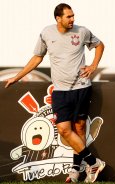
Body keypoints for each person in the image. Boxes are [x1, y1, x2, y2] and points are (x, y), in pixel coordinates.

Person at [5, 3, 105, 183]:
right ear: (58, 18)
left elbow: (99, 45)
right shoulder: (46, 33)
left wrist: (93, 66)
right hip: (60, 91)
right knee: (64, 130)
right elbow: (37, 57)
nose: (73, 19)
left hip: (81, 87)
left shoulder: (82, 31)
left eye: (73, 15)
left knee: (80, 128)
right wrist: (18, 76)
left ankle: (76, 170)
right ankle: (93, 162)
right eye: (69, 16)